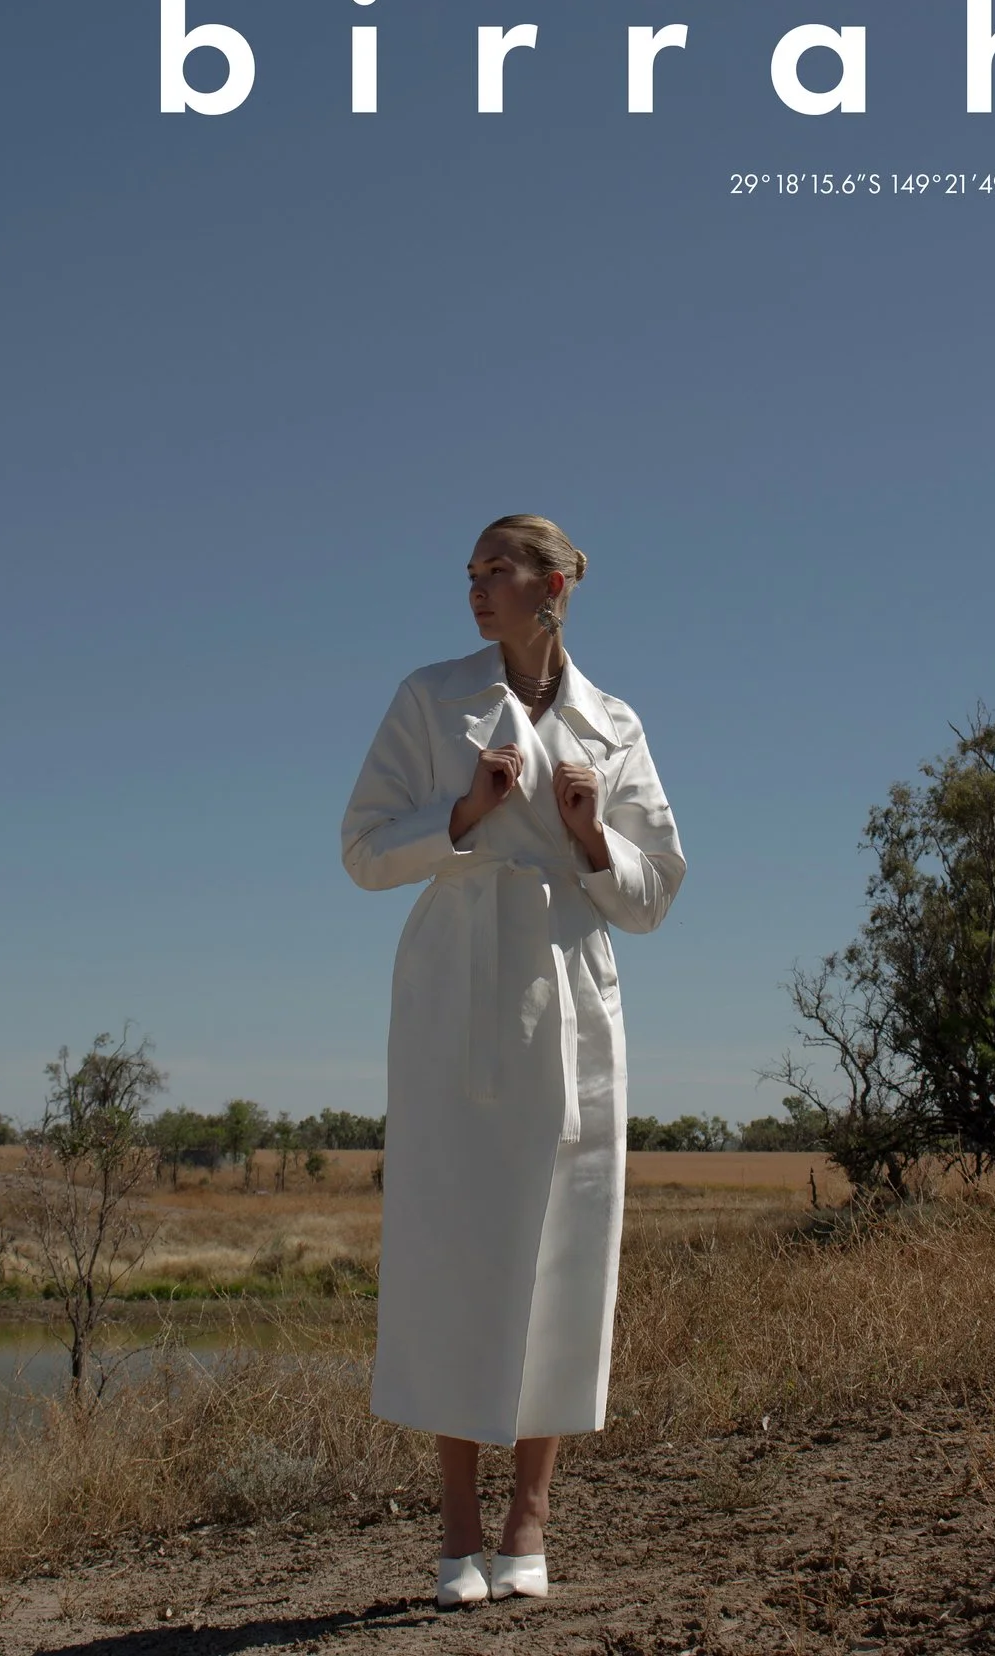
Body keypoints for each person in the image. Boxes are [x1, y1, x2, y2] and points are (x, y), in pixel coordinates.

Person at [339, 515, 686, 1609]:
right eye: (472, 570)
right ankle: (454, 1527)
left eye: (499, 569)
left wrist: (589, 835)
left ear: (557, 588)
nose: (476, 587)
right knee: (453, 1243)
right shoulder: (428, 697)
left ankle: (527, 1517)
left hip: (573, 999)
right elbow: (359, 848)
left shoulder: (613, 722)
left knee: (562, 1249)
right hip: (455, 988)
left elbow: (654, 891)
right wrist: (465, 811)